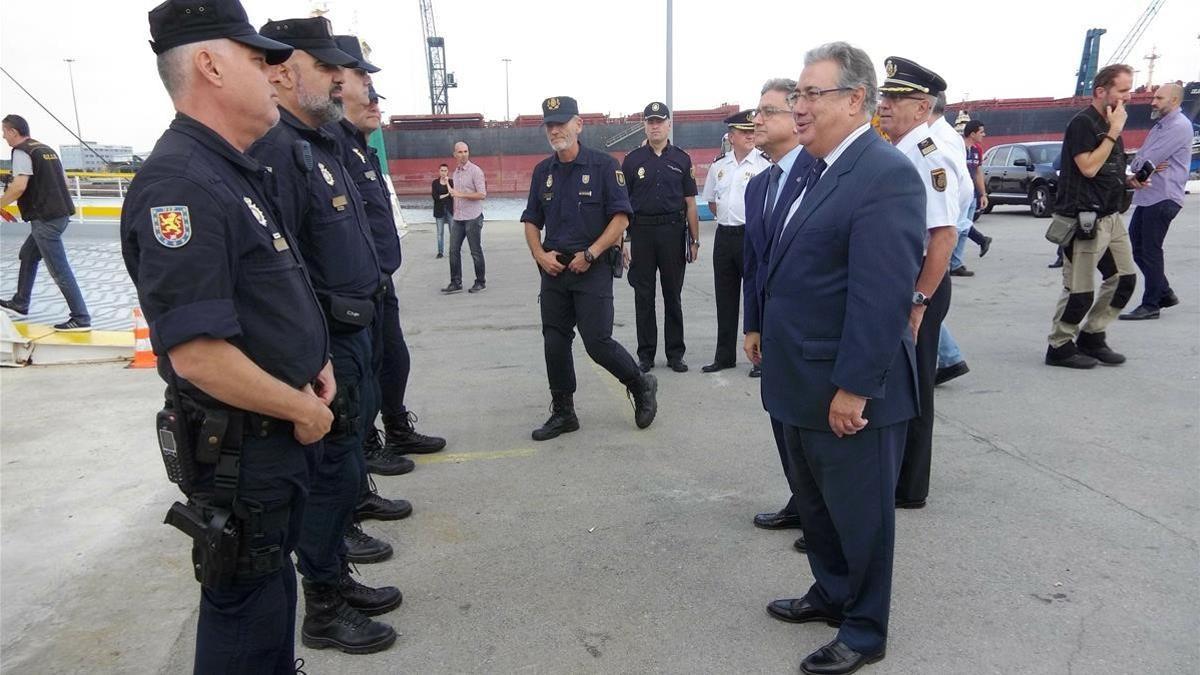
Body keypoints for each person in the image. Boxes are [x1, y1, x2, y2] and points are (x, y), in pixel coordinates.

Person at [121, 1, 334, 671]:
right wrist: (302, 406)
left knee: (270, 604)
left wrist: (314, 359)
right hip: (245, 454)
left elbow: (264, 298)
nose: (272, 71)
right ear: (208, 65)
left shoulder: (228, 169)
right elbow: (199, 355)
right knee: (244, 615)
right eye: (255, 57)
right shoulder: (181, 184)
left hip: (270, 445)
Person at [762, 42, 924, 675]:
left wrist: (855, 387)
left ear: (855, 100)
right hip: (797, 378)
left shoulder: (885, 174)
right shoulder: (814, 168)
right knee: (818, 505)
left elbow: (881, 296)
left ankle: (864, 627)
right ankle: (831, 592)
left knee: (860, 516)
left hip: (847, 386)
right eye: (797, 95)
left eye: (810, 94)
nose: (798, 107)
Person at [249, 16, 397, 654]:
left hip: (355, 334)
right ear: (284, 70)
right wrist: (310, 356)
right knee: (329, 471)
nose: (340, 78)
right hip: (328, 345)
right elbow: (282, 267)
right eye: (326, 66)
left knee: (345, 465)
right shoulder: (280, 149)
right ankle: (325, 605)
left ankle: (334, 574)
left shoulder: (324, 142)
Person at [328, 36, 442, 526]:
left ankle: (394, 428)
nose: (375, 100)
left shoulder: (359, 150)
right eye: (365, 86)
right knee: (361, 382)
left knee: (392, 360)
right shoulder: (329, 148)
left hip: (378, 282)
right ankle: (369, 449)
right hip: (353, 291)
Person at [520, 95, 658, 441]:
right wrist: (539, 254)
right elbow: (531, 220)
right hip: (554, 269)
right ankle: (564, 412)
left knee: (597, 342)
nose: (555, 131)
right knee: (554, 341)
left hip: (591, 266)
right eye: (550, 125)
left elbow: (621, 217)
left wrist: (592, 254)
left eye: (562, 124)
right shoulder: (542, 172)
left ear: (578, 125)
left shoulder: (604, 166)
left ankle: (640, 385)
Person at [877, 57, 960, 511]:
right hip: (904, 282)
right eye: (884, 97)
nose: (884, 105)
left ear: (921, 105)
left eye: (895, 98)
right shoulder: (899, 150)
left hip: (920, 286)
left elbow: (943, 237)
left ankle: (909, 487)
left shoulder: (930, 157)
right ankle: (901, 480)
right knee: (900, 383)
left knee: (914, 385)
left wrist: (918, 301)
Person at [743, 78, 814, 553]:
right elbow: (754, 263)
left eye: (768, 111)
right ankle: (801, 499)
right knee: (779, 415)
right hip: (771, 325)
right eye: (758, 111)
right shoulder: (758, 185)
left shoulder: (820, 176)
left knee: (808, 424)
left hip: (806, 328)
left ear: (796, 116)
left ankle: (820, 515)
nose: (758, 120)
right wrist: (752, 323)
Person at [1044, 64, 1142, 369]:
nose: (1129, 97)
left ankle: (1092, 335)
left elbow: (1105, 169)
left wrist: (1129, 180)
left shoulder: (1113, 120)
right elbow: (1087, 166)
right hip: (1084, 219)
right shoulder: (1083, 123)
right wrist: (1113, 132)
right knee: (1080, 290)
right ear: (1102, 91)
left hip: (1111, 216)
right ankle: (1059, 346)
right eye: (1123, 90)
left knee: (1124, 279)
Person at [621, 102, 700, 373]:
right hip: (641, 233)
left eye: (659, 121)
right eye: (650, 121)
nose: (655, 126)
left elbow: (690, 203)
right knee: (643, 296)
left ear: (668, 125)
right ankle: (646, 355)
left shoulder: (681, 159)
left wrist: (694, 239)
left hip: (672, 232)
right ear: (644, 124)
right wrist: (624, 241)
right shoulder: (631, 161)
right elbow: (622, 205)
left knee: (672, 296)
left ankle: (675, 354)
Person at [0, 115, 92, 331]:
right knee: (28, 254)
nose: (3, 136)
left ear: (13, 131)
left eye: (4, 132)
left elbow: (19, 187)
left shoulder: (22, 151)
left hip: (45, 218)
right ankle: (20, 302)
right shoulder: (45, 149)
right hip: (60, 213)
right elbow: (63, 181)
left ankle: (81, 318)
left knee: (59, 269)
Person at [700, 110, 770, 374]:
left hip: (751, 236)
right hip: (724, 236)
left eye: (752, 131)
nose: (750, 135)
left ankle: (759, 358)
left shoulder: (764, 164)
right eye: (744, 132)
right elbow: (711, 203)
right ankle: (724, 355)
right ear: (731, 137)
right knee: (725, 298)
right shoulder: (719, 166)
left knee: (755, 295)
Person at [1119, 82, 1191, 321]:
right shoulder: (1161, 126)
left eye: (1159, 98)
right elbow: (1143, 160)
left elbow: (1147, 159)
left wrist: (1143, 163)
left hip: (1164, 196)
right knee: (1139, 247)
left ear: (1174, 100)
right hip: (1150, 196)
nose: (1153, 102)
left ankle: (1151, 304)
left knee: (1150, 250)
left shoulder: (1179, 126)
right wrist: (1143, 163)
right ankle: (1165, 292)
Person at [928, 94, 975, 386]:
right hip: (942, 230)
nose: (884, 105)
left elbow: (944, 200)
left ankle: (949, 357)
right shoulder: (943, 136)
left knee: (921, 305)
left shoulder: (934, 144)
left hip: (933, 240)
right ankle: (950, 356)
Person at [443, 141, 487, 294]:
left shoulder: (476, 171)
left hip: (473, 217)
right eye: (460, 152)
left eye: (466, 151)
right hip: (458, 217)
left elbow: (482, 194)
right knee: (453, 250)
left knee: (475, 251)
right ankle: (456, 282)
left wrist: (461, 194)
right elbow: (456, 196)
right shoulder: (455, 173)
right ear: (454, 154)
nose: (463, 155)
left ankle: (480, 282)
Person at [431, 163, 453, 258]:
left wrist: (447, 182)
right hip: (439, 211)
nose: (443, 173)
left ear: (448, 172)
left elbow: (453, 194)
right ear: (439, 171)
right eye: (442, 171)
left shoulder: (451, 181)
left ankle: (453, 251)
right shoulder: (435, 183)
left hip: (450, 210)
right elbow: (435, 197)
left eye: (445, 171)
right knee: (440, 233)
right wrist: (447, 195)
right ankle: (440, 252)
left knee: (453, 232)